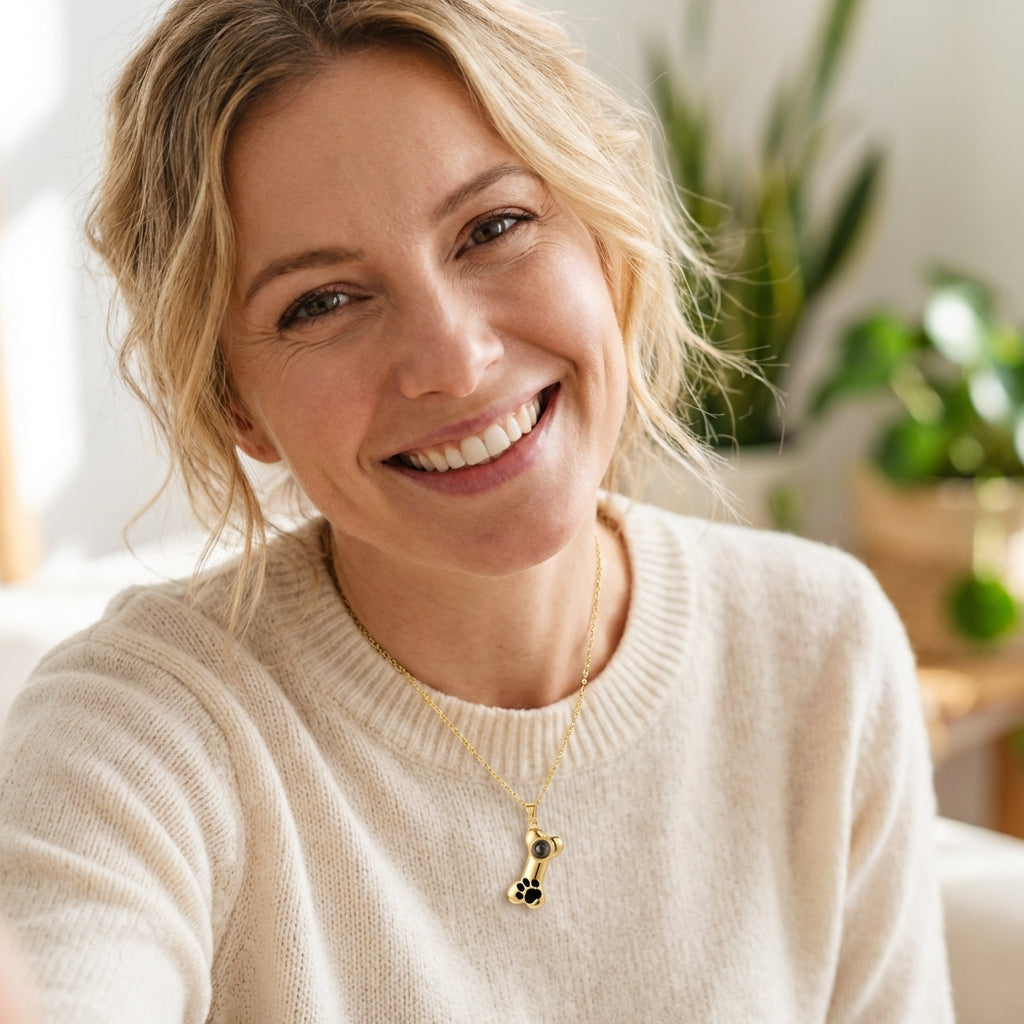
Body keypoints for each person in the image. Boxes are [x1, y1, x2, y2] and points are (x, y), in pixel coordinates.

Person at [0, 0, 953, 1020]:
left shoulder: (820, 647)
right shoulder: (140, 731)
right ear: (238, 403)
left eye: (493, 228)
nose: (454, 359)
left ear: (604, 238)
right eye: (321, 301)